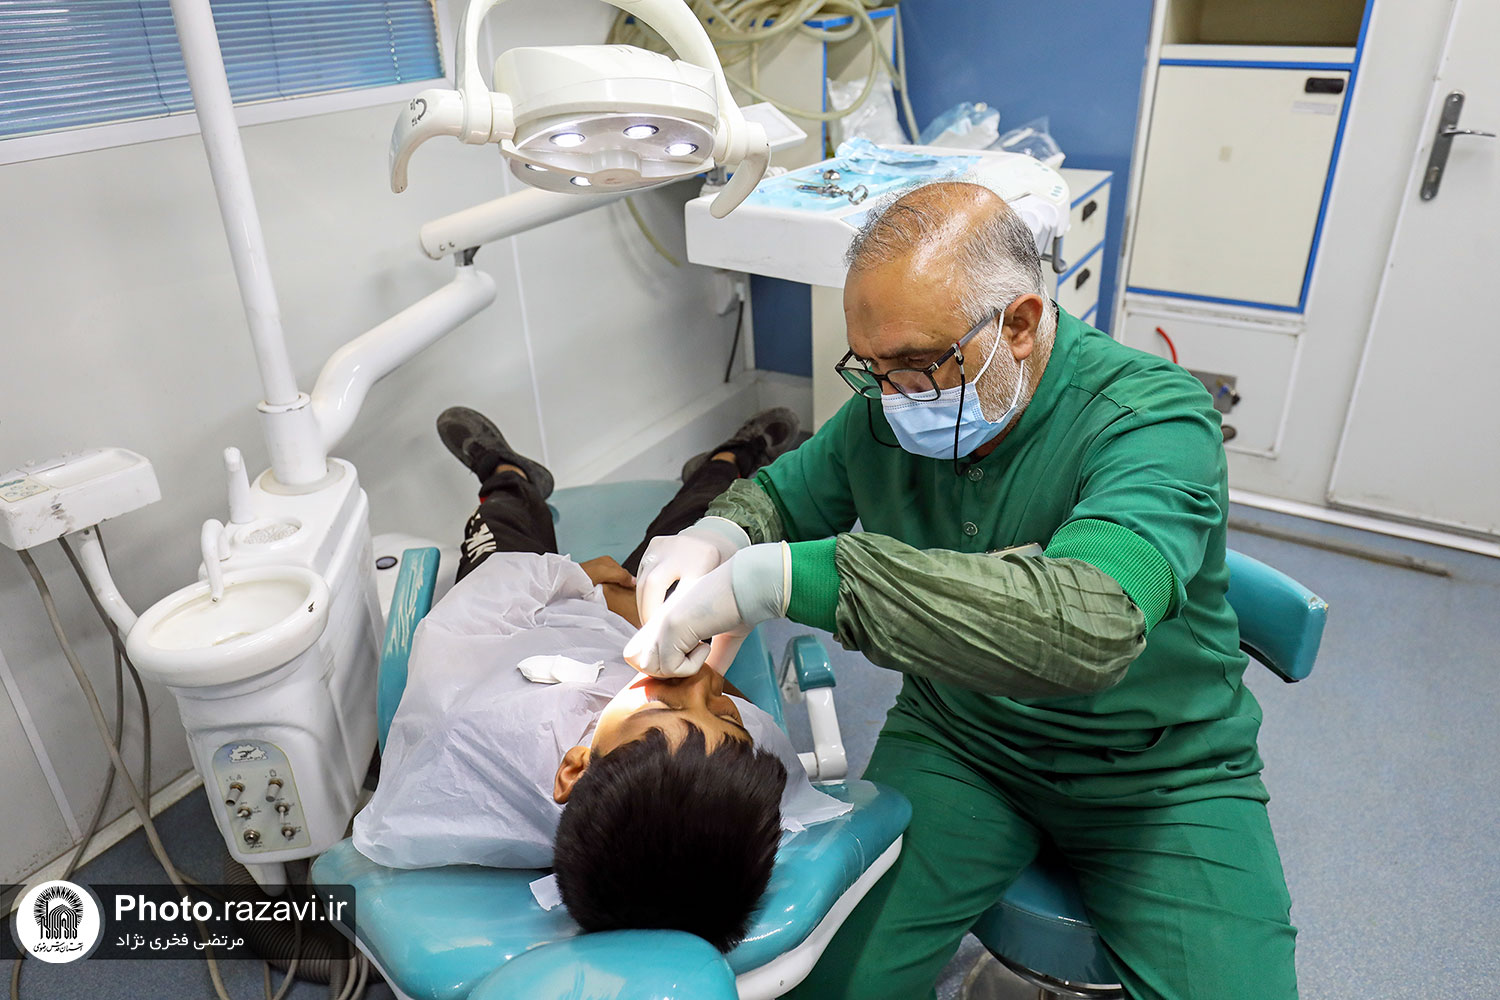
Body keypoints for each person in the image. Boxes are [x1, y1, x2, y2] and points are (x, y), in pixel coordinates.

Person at [625, 182, 1298, 998]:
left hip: (1157, 770)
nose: (892, 397)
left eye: (916, 366)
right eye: (870, 368)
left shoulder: (1151, 421)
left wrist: (791, 578)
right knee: (830, 984)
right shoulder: (888, 409)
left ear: (1019, 324)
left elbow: (1088, 625)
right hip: (964, 739)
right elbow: (783, 496)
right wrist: (720, 535)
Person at [354, 406, 850, 953]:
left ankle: (506, 475)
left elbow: (467, 623)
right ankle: (733, 458)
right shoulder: (709, 781)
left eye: (662, 704)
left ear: (573, 767)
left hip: (520, 627)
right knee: (700, 530)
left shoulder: (478, 738)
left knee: (503, 534)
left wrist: (571, 579)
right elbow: (726, 712)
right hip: (626, 628)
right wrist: (660, 628)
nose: (700, 685)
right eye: (725, 714)